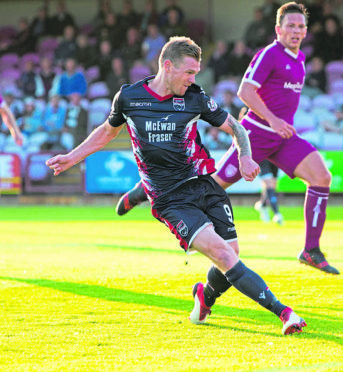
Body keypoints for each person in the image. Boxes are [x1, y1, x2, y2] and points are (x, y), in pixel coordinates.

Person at [45, 36, 306, 335]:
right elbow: (106, 132)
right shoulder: (130, 97)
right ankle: (285, 313)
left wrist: (245, 157)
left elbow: (235, 126)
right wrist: (72, 157)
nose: (194, 79)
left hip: (205, 185)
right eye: (189, 73)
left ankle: (204, 297)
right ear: (168, 66)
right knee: (223, 256)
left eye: (196, 73)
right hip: (170, 199)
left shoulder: (194, 97)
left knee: (230, 254)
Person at [114, 2, 339, 275]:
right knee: (212, 185)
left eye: (300, 26)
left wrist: (280, 123)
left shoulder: (299, 59)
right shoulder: (270, 55)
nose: (296, 31)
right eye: (290, 26)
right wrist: (273, 119)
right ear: (278, 29)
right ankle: (145, 190)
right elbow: (245, 91)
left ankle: (311, 251)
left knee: (321, 178)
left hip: (282, 136)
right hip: (256, 134)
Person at [254, 159, 283, 225]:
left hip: (274, 158)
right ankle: (277, 214)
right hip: (263, 158)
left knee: (273, 186)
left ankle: (263, 204)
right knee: (269, 185)